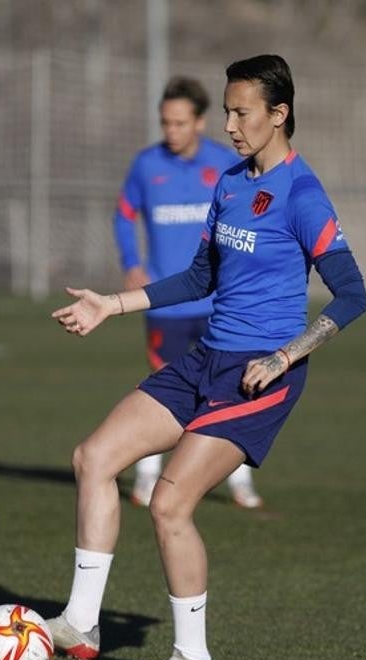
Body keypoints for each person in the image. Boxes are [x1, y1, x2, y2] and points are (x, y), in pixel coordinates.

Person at [49, 54, 366, 660]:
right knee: (94, 458)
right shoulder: (227, 183)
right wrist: (111, 304)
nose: (229, 123)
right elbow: (200, 278)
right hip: (203, 360)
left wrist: (285, 356)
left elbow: (353, 294)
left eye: (241, 111)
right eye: (225, 110)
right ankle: (81, 623)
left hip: (260, 375)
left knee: (169, 503)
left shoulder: (303, 195)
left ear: (279, 115)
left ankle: (193, 658)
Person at [114, 76, 263, 510]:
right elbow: (123, 216)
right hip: (166, 303)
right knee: (162, 390)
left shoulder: (227, 166)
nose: (171, 132)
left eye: (180, 123)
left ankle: (240, 479)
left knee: (232, 389)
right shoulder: (146, 166)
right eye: (166, 123)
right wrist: (131, 264)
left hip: (222, 304)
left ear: (200, 123)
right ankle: (146, 475)